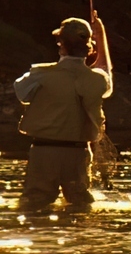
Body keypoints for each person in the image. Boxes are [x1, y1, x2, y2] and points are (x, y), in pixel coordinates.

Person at [12, 13, 111, 211]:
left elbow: (22, 94)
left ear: (60, 43)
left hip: (44, 151)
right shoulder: (98, 80)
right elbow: (105, 71)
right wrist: (101, 37)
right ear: (88, 46)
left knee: (33, 205)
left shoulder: (39, 74)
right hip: (78, 153)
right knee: (80, 205)